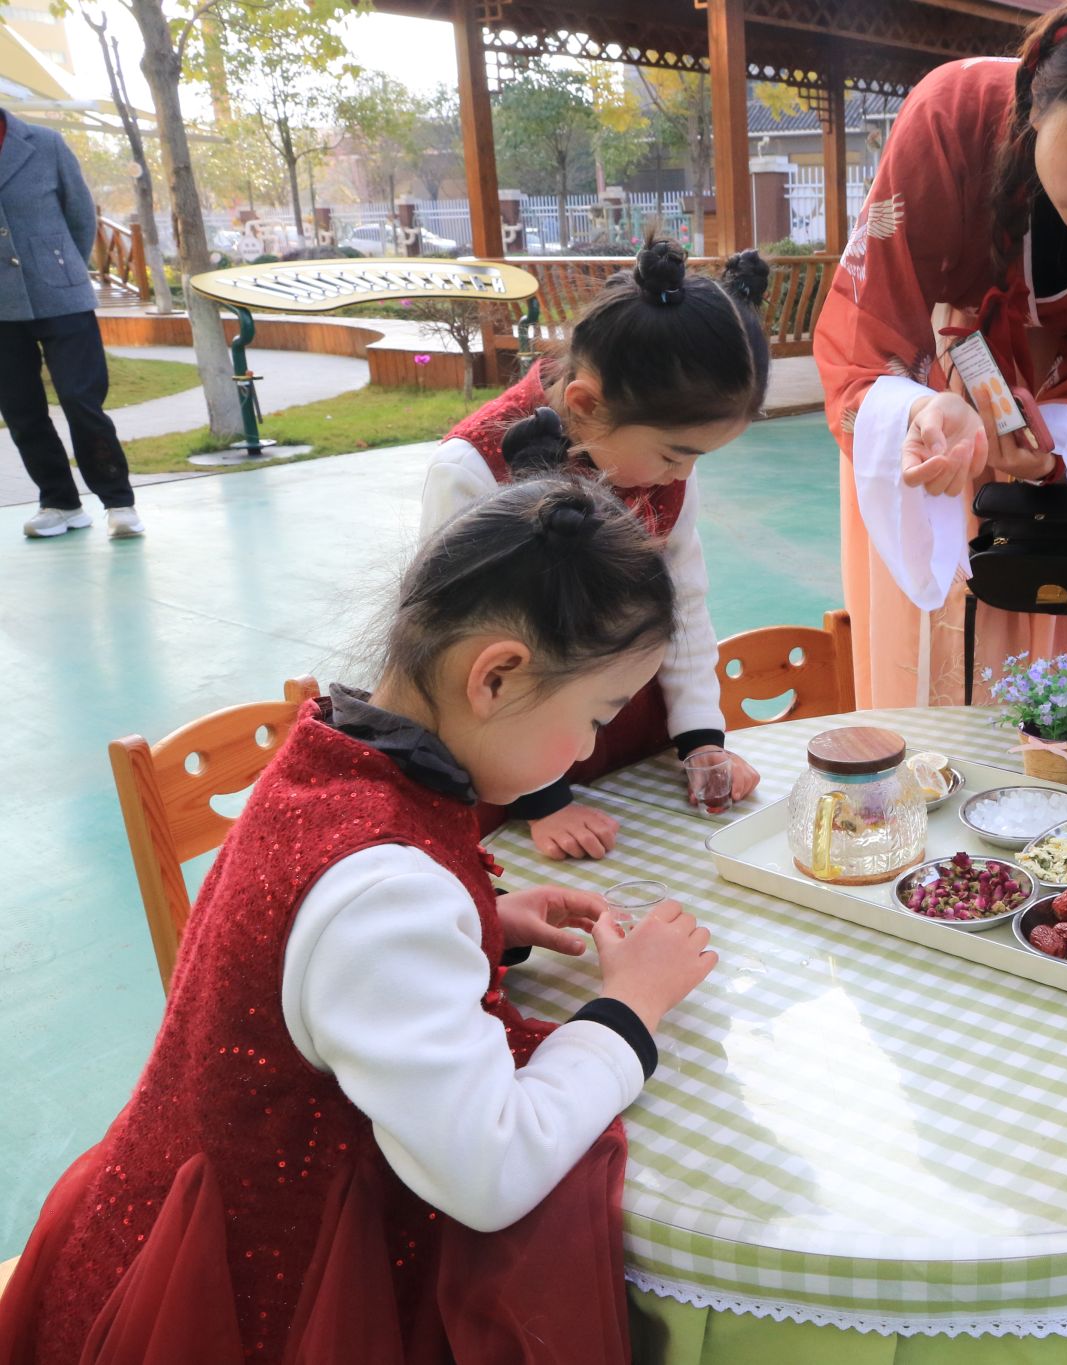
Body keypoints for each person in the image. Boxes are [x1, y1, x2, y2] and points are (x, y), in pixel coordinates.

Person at [0, 475, 720, 1362]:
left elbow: (308, 949)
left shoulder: (330, 750)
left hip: (164, 1217)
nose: (588, 750)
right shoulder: (388, 894)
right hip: (266, 1299)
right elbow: (489, 1168)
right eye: (596, 716)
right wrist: (630, 1010)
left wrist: (483, 921)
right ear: (495, 677)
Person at [816, 0, 1067, 709]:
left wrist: (1065, 438)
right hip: (937, 423)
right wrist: (918, 409)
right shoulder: (950, 115)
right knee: (939, 665)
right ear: (1039, 95)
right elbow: (870, 327)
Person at [423, 240, 769, 859]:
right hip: (509, 768)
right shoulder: (472, 470)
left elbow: (683, 605)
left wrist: (699, 738)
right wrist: (543, 800)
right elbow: (461, 656)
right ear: (585, 404)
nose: (682, 475)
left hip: (623, 734)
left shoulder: (659, 469)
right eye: (675, 454)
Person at [1, 108, 142, 539]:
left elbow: (80, 215)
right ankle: (60, 503)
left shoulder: (45, 144)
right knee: (21, 410)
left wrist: (64, 271)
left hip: (63, 297)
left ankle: (118, 501)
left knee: (82, 400)